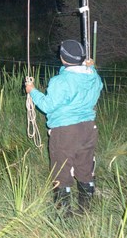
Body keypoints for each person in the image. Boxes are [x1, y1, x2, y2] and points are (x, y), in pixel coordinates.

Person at [24, 39, 103, 217]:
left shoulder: (59, 82)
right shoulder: (93, 76)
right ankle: (86, 211)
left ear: (62, 58)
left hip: (65, 131)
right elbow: (79, 76)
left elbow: (47, 106)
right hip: (88, 128)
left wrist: (32, 91)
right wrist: (89, 67)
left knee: (61, 170)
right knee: (85, 167)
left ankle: (64, 216)